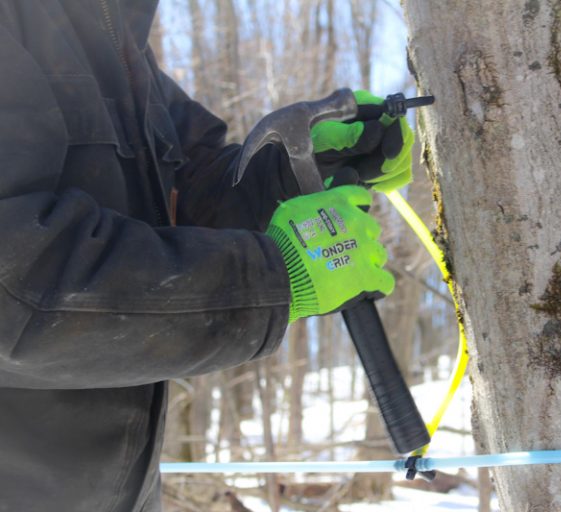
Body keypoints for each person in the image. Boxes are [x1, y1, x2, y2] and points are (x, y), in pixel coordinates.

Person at [0, 1, 414, 511]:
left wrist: (292, 171)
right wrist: (273, 278)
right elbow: (15, 284)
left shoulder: (117, 43)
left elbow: (187, 199)